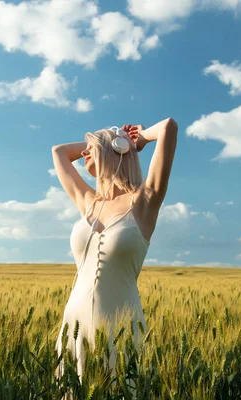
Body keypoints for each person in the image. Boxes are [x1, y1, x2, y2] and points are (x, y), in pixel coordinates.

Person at [51, 118, 178, 388]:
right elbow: (59, 152)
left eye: (92, 147)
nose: (84, 152)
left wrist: (137, 139)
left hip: (121, 326)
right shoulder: (87, 201)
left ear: (116, 149)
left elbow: (168, 127)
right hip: (75, 324)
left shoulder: (144, 202)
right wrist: (100, 142)